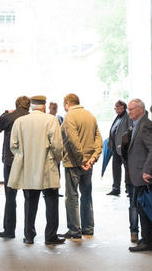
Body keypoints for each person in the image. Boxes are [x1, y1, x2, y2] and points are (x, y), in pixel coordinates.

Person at [9, 94, 66, 246]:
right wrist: (56, 159)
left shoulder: (20, 121)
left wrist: (22, 156)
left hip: (28, 168)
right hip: (47, 167)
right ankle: (50, 236)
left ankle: (29, 236)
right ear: (44, 106)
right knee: (52, 202)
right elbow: (57, 145)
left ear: (32, 106)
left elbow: (13, 145)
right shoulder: (51, 120)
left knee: (29, 202)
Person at [123, 98, 152, 252]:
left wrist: (147, 170)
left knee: (145, 208)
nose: (129, 112)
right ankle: (146, 238)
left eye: (131, 109)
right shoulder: (137, 124)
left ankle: (147, 241)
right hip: (137, 174)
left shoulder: (146, 125)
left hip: (144, 175)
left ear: (141, 109)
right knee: (142, 208)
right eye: (128, 109)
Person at [60, 92, 101, 240]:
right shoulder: (90, 115)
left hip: (74, 163)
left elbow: (73, 141)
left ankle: (74, 230)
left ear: (67, 104)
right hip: (88, 164)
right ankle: (88, 228)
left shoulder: (69, 117)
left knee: (72, 197)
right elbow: (98, 140)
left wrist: (82, 160)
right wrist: (92, 159)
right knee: (87, 195)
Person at [0, 94, 31, 239]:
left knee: (10, 197)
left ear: (16, 104)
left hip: (10, 161)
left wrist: (4, 113)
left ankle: (9, 230)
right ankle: (29, 232)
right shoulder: (31, 118)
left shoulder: (9, 117)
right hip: (28, 161)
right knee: (29, 197)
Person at [106, 99, 130, 196]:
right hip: (115, 148)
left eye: (116, 107)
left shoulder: (127, 116)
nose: (115, 109)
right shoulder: (118, 117)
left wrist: (125, 144)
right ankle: (116, 188)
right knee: (115, 168)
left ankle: (128, 188)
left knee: (127, 168)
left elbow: (129, 131)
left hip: (123, 148)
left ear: (122, 107)